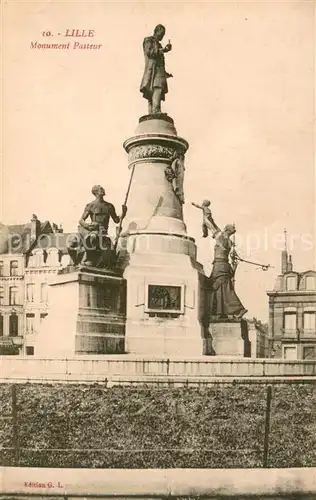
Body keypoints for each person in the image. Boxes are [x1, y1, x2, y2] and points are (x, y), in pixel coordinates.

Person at [68, 185, 127, 268]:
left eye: (102, 188)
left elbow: (116, 220)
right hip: (94, 231)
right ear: (96, 192)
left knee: (110, 255)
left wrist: (123, 213)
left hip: (104, 232)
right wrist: (88, 226)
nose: (103, 190)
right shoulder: (91, 205)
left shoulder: (109, 206)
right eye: (100, 189)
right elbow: (81, 220)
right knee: (92, 238)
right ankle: (89, 258)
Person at [209, 223, 247, 320]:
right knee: (224, 288)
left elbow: (211, 225)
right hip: (225, 266)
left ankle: (238, 309)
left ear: (225, 230)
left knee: (218, 287)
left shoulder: (220, 238)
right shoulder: (229, 242)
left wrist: (205, 212)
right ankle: (221, 312)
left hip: (219, 265)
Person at [140, 24, 172, 114]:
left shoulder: (158, 44)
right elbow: (149, 52)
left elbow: (160, 62)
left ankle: (153, 113)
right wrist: (163, 50)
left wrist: (166, 74)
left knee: (155, 90)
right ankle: (155, 110)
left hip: (158, 71)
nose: (162, 36)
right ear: (156, 31)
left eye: (163, 34)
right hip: (153, 71)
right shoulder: (148, 40)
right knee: (157, 88)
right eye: (161, 33)